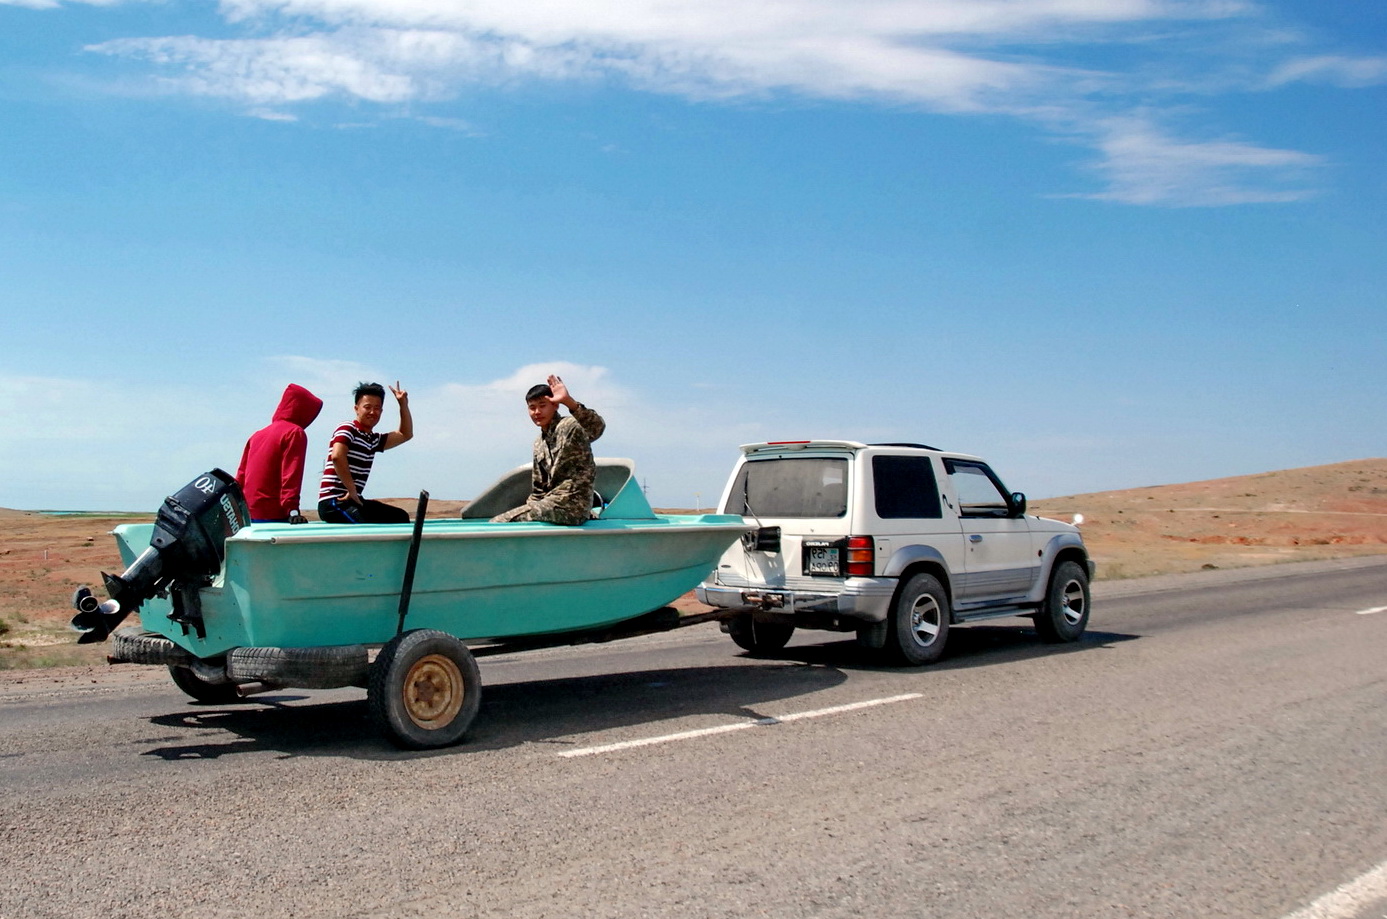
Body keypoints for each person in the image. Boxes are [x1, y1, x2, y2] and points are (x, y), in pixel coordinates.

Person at [491, 374, 605, 526]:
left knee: (500, 522)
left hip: (572, 504)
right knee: (514, 515)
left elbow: (596, 427)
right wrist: (529, 508)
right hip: (552, 504)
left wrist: (568, 401)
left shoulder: (569, 426)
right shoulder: (539, 443)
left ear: (555, 405)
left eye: (542, 405)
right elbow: (539, 490)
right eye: (532, 407)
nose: (537, 412)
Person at [317, 381, 413, 524]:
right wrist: (352, 490)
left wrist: (403, 404)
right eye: (367, 407)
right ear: (356, 408)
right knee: (365, 523)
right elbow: (337, 456)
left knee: (400, 517)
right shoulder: (348, 428)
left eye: (377, 408)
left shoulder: (372, 439)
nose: (372, 412)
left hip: (354, 500)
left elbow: (405, 434)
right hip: (334, 502)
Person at [235, 383, 324, 524]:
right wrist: (292, 509)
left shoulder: (257, 435)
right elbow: (291, 474)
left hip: (249, 512)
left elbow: (241, 475)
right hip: (274, 513)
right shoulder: (294, 433)